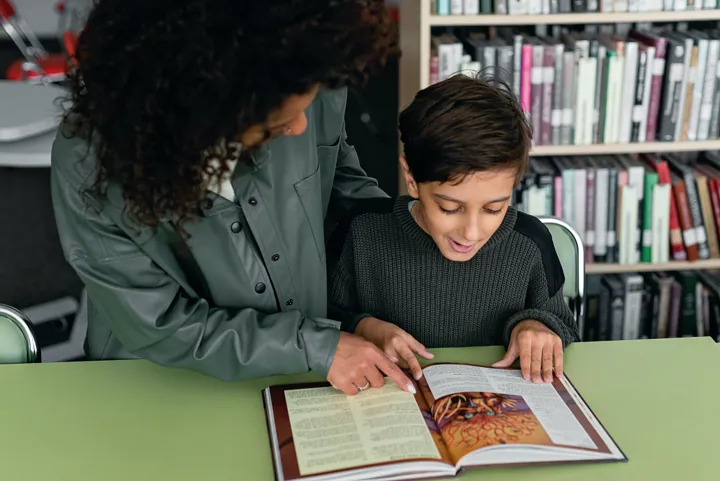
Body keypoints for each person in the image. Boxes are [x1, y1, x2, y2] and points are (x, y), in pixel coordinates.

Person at [50, 0, 416, 396]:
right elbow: (160, 324)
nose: (300, 128)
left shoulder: (307, 66)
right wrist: (313, 345)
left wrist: (419, 233)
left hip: (315, 372)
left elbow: (342, 185)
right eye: (276, 122)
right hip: (158, 385)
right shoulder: (91, 165)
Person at [328, 74, 581, 385]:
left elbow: (564, 327)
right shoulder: (362, 233)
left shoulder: (530, 244)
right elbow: (323, 319)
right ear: (411, 178)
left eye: (493, 209)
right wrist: (363, 326)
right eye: (449, 208)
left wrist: (535, 326)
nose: (471, 233)